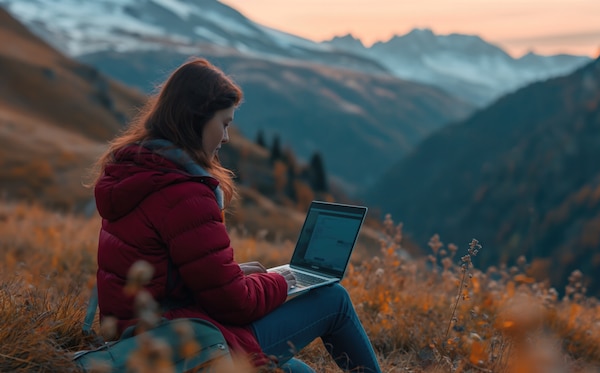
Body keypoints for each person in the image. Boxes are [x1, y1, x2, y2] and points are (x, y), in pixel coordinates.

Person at [90, 57, 382, 373]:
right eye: (224, 123)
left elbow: (170, 274)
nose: (226, 137)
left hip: (138, 332)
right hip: (178, 344)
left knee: (299, 370)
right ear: (196, 120)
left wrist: (240, 273)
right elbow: (234, 304)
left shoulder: (138, 171)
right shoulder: (184, 194)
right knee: (333, 299)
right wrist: (281, 282)